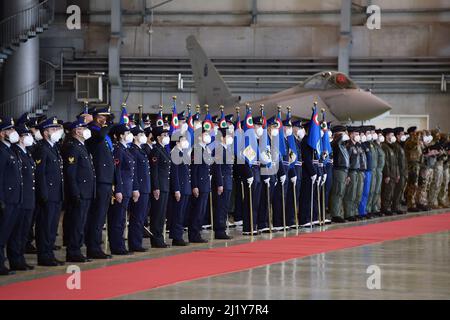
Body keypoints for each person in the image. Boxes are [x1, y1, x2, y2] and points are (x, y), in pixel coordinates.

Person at [62, 118, 95, 262]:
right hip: (80, 192)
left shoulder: (82, 146)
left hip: (86, 192)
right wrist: (75, 192)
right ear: (77, 130)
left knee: (81, 223)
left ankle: (77, 250)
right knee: (76, 223)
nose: (87, 130)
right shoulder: (73, 147)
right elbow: (71, 173)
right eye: (83, 127)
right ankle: (73, 252)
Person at [34, 117, 65, 266]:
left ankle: (49, 253)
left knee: (52, 227)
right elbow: (40, 174)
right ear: (45, 132)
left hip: (56, 194)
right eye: (53, 129)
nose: (56, 132)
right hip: (48, 195)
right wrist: (43, 194)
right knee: (45, 226)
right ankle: (44, 256)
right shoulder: (42, 148)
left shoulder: (53, 147)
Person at [85, 107, 114, 259]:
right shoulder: (91, 130)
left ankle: (96, 246)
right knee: (96, 216)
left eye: (107, 117)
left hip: (107, 179)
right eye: (103, 116)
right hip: (100, 178)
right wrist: (108, 124)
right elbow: (100, 136)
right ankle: (93, 247)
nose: (105, 119)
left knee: (101, 216)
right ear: (95, 117)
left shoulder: (102, 132)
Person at [108, 124, 139, 255]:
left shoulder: (126, 149)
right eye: (127, 133)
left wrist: (134, 188)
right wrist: (118, 190)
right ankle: (117, 246)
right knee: (117, 219)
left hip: (127, 188)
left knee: (121, 220)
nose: (129, 135)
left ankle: (120, 245)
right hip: (122, 189)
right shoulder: (118, 150)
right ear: (121, 135)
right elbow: (117, 172)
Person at [10, 124, 35, 271]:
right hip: (21, 197)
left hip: (28, 196)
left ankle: (20, 258)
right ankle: (15, 259)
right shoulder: (16, 152)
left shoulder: (26, 152)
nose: (29, 138)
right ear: (20, 138)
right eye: (26, 135)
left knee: (24, 231)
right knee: (17, 231)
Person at [0, 118, 23, 275]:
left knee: (7, 232)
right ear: (2, 134)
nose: (14, 133)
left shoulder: (10, 150)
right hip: (6, 199)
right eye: (10, 130)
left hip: (14, 198)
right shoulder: (1, 151)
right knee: (1, 234)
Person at [188, 122, 213, 243]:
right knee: (197, 211)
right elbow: (194, 170)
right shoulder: (197, 149)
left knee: (202, 211)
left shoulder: (205, 149)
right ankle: (194, 234)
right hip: (199, 185)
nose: (208, 135)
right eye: (205, 133)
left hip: (205, 185)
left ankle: (197, 233)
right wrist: (195, 186)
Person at [128, 126, 151, 252]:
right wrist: (135, 188)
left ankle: (138, 242)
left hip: (145, 188)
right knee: (136, 217)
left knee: (141, 217)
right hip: (139, 189)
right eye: (141, 134)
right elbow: (134, 172)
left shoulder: (140, 150)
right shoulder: (133, 151)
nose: (143, 136)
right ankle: (134, 243)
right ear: (135, 136)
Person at [149, 126, 172, 248]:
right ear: (158, 137)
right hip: (159, 187)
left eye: (167, 135)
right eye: (164, 135)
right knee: (157, 214)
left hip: (165, 186)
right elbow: (154, 171)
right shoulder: (156, 150)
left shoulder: (164, 149)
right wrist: (156, 187)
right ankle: (156, 239)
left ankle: (160, 238)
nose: (166, 137)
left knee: (162, 214)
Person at [211, 127, 234, 240]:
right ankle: (219, 231)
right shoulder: (218, 148)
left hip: (228, 182)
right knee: (220, 207)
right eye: (228, 136)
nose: (231, 138)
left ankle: (223, 228)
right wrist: (220, 183)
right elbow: (217, 168)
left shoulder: (226, 148)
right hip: (222, 182)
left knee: (225, 207)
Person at [328, 125, 349, 223]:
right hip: (338, 169)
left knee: (341, 192)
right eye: (343, 133)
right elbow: (334, 145)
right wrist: (339, 137)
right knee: (337, 192)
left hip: (344, 170)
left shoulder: (343, 145)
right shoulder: (335, 144)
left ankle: (339, 213)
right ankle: (335, 214)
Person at [343, 127, 360, 221]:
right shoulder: (348, 145)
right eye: (355, 133)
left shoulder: (356, 145)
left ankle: (353, 212)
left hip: (356, 171)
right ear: (350, 135)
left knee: (355, 194)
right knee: (350, 194)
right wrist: (348, 174)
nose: (357, 136)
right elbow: (347, 161)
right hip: (351, 171)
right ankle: (348, 213)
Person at [380, 128, 399, 216]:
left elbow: (396, 162)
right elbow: (386, 162)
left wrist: (397, 173)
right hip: (389, 174)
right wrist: (387, 174)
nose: (393, 137)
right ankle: (385, 208)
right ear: (387, 136)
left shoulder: (392, 147)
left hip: (394, 173)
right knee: (387, 191)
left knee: (391, 191)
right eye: (391, 135)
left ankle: (389, 207)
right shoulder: (384, 147)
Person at [404, 127, 422, 212]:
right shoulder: (409, 141)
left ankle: (414, 202)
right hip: (411, 166)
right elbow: (413, 145)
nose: (417, 134)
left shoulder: (416, 141)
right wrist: (416, 138)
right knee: (412, 185)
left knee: (415, 185)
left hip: (416, 165)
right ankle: (410, 204)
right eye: (415, 132)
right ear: (411, 133)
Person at [392, 127, 408, 214]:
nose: (403, 136)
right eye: (402, 134)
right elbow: (396, 161)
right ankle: (395, 207)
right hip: (399, 172)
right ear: (397, 135)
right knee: (397, 190)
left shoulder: (402, 145)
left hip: (403, 171)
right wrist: (397, 173)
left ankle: (398, 205)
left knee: (401, 189)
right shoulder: (395, 146)